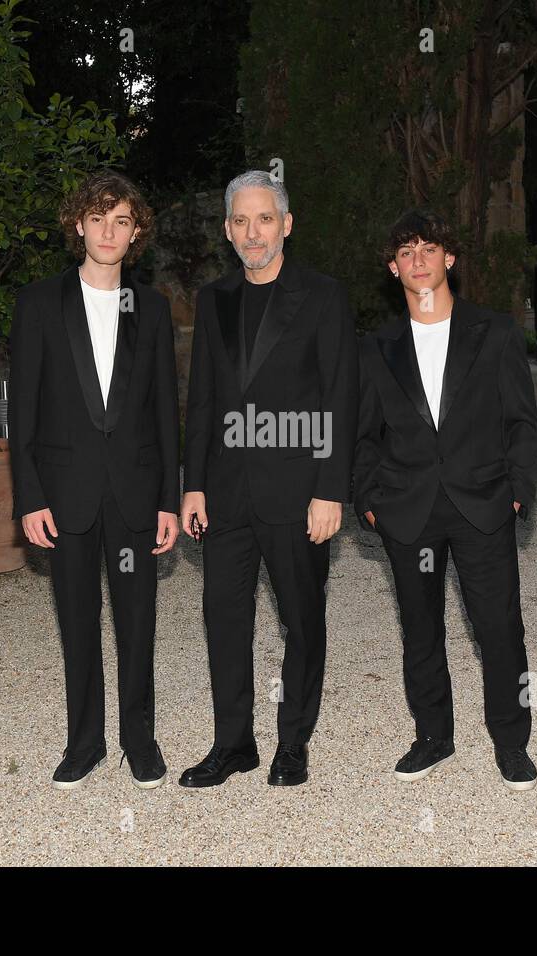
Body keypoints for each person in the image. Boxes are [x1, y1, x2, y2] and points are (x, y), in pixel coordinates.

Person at [178, 171, 357, 788]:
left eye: (263, 219)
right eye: (240, 221)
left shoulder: (324, 296)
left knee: (302, 619)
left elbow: (339, 397)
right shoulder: (214, 299)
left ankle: (293, 742)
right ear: (228, 230)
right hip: (225, 493)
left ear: (286, 223)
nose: (252, 232)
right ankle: (233, 744)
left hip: (299, 491)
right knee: (223, 617)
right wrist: (192, 483)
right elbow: (201, 397)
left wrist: (330, 488)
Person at [354, 209, 537, 789]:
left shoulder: (496, 332)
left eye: (428, 249)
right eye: (405, 252)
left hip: (483, 504)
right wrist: (368, 500)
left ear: (448, 259)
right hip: (408, 510)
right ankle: (433, 737)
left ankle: (511, 743)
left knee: (499, 627)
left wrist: (516, 493)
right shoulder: (375, 347)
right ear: (393, 268)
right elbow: (360, 435)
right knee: (421, 629)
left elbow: (521, 423)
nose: (418, 260)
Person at [8, 171, 179, 790]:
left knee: (138, 621)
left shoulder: (152, 309)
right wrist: (29, 498)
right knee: (76, 622)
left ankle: (140, 738)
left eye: (123, 221)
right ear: (78, 224)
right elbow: (20, 410)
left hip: (135, 493)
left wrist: (167, 500)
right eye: (99, 218)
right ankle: (85, 743)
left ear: (136, 235)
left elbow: (165, 411)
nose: (110, 231)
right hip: (64, 495)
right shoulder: (37, 304)